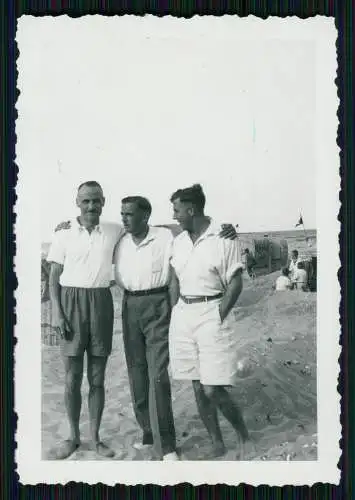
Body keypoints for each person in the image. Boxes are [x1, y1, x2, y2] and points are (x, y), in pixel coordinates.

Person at [52, 189, 238, 460]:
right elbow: (66, 254)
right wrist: (63, 226)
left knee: (157, 375)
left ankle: (167, 445)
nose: (125, 219)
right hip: (128, 306)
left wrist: (227, 229)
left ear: (145, 216)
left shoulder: (160, 236)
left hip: (157, 304)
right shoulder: (111, 234)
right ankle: (148, 433)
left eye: (130, 215)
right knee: (136, 374)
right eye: (123, 214)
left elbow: (194, 227)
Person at [168, 183, 253, 459]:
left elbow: (236, 283)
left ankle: (244, 436)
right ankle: (217, 443)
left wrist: (218, 316)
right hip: (183, 314)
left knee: (212, 387)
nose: (174, 216)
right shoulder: (178, 242)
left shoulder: (224, 239)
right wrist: (175, 309)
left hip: (211, 312)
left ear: (191, 210)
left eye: (177, 210)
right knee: (196, 385)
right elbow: (173, 279)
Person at [47, 181, 124, 460]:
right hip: (70, 304)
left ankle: (95, 438)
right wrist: (56, 311)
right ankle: (72, 437)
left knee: (97, 378)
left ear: (104, 201)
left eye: (96, 200)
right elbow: (54, 276)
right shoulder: (64, 233)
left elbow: (151, 231)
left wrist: (219, 227)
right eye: (85, 201)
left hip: (101, 303)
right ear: (77, 202)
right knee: (71, 378)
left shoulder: (115, 230)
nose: (91, 206)